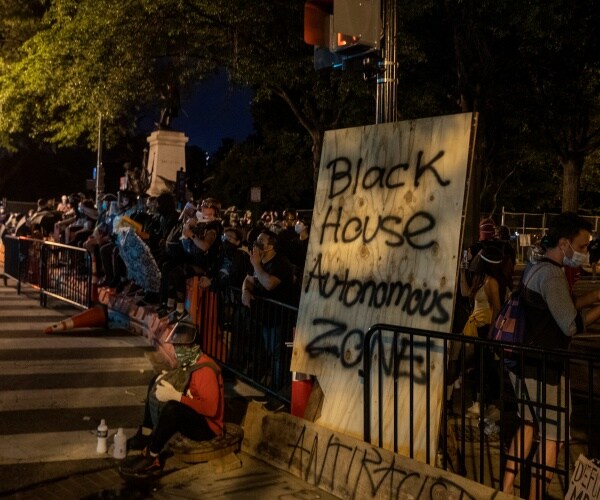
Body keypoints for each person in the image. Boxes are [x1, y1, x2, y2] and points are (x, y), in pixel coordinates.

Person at [502, 212, 600, 499]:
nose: (584, 253)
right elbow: (570, 324)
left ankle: (506, 491)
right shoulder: (552, 274)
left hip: (525, 363)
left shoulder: (536, 265)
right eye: (581, 247)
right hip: (545, 370)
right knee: (553, 439)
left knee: (528, 425)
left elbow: (557, 308)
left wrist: (593, 296)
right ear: (564, 243)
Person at [120, 319, 224, 479]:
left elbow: (211, 409)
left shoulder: (206, 370)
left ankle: (152, 455)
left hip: (209, 428)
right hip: (196, 415)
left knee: (173, 410)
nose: (177, 351)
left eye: (182, 347)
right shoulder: (190, 361)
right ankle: (146, 434)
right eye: (177, 346)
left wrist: (177, 397)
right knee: (155, 380)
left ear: (194, 347)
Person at [455, 246, 507, 418]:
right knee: (479, 366)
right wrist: (462, 270)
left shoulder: (491, 281)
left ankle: (486, 404)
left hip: (486, 328)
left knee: (484, 366)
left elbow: (497, 308)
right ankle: (484, 404)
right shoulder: (480, 279)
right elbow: (465, 292)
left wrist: (493, 333)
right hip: (476, 327)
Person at [241, 229, 294, 389]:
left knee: (277, 354)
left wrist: (257, 265)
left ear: (270, 246)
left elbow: (269, 284)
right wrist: (245, 291)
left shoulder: (282, 264)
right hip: (262, 316)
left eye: (261, 240)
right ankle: (266, 381)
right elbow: (248, 279)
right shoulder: (259, 260)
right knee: (265, 351)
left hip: (278, 318)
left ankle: (278, 389)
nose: (256, 243)